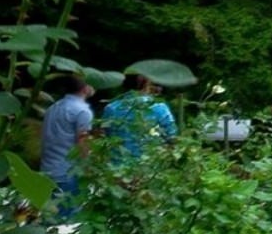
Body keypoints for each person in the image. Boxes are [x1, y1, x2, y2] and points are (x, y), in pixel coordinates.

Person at [39, 75, 95, 218]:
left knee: (48, 216)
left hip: (47, 169)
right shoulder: (82, 111)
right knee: (66, 217)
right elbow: (82, 142)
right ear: (85, 88)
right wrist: (90, 168)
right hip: (68, 172)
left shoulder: (53, 108)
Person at [101, 75, 177, 164]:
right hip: (150, 168)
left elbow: (105, 136)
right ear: (147, 84)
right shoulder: (159, 108)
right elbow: (172, 138)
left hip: (117, 167)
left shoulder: (111, 109)